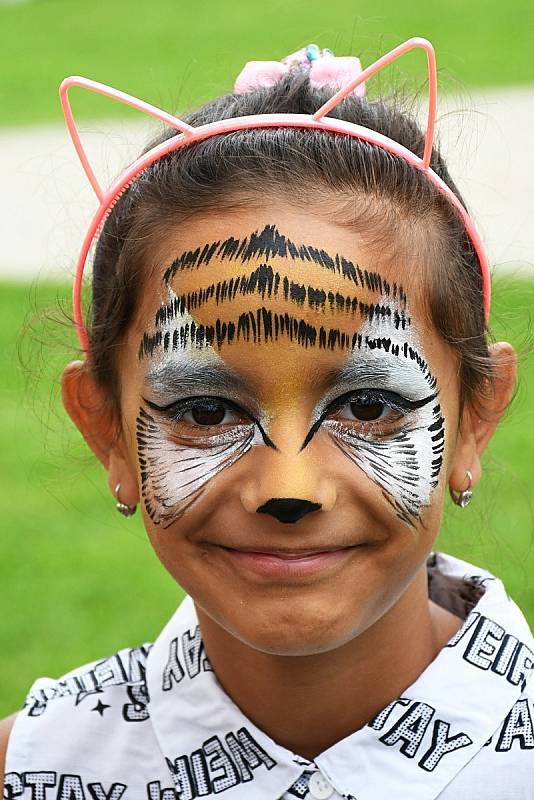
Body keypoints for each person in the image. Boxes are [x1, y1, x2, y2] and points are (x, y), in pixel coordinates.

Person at [2, 39, 533, 800]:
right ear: (108, 431)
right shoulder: (35, 772)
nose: (290, 488)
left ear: (475, 419)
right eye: (206, 411)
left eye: (370, 406)